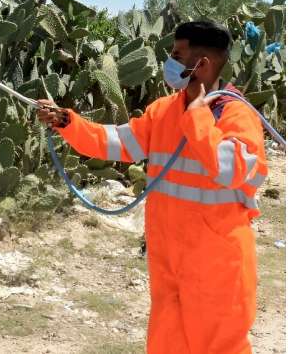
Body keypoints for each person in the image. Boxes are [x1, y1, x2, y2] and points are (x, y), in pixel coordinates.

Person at [37, 20, 267, 354]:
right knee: (166, 345)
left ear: (200, 64)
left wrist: (198, 115)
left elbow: (230, 170)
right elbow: (116, 142)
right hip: (168, 260)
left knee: (220, 347)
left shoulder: (235, 115)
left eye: (177, 54)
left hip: (216, 266)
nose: (169, 61)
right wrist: (67, 122)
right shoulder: (164, 110)